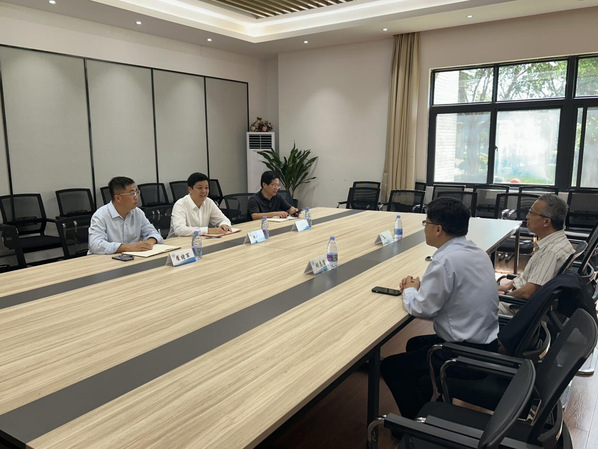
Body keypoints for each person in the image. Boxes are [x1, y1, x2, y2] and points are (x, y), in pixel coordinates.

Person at [380, 197, 499, 420]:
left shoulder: (445, 261)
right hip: (487, 343)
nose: (424, 227)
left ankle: (414, 429)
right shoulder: (477, 251)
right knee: (414, 344)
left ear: (438, 229)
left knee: (390, 367)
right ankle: (428, 410)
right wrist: (421, 289)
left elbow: (421, 308)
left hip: (465, 355)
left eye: (425, 223)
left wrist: (410, 290)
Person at [498, 194, 574, 302]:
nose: (527, 217)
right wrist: (507, 286)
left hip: (515, 305)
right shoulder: (558, 242)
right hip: (517, 295)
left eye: (531, 213)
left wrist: (504, 296)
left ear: (546, 222)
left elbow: (528, 292)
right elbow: (530, 277)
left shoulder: (550, 252)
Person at [88, 176, 163, 254]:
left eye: (136, 192)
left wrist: (149, 242)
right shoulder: (100, 215)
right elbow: (95, 245)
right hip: (104, 259)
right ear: (118, 198)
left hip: (132, 257)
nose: (136, 197)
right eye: (132, 193)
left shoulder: (138, 213)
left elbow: (154, 233)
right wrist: (128, 248)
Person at [168, 172, 231, 237]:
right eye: (200, 188)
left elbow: (224, 219)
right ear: (190, 189)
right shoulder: (180, 205)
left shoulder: (209, 202)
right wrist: (208, 230)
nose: (204, 191)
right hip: (178, 242)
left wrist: (224, 225)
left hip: (200, 240)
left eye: (206, 188)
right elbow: (179, 230)